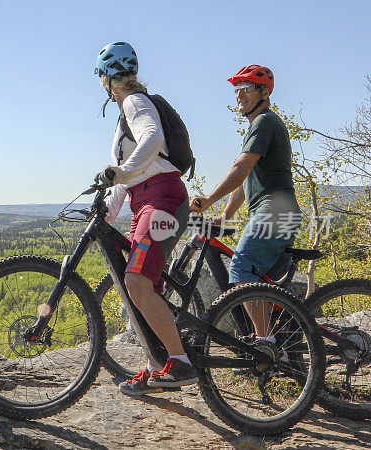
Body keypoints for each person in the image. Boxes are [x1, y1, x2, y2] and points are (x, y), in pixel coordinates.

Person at [94, 42, 196, 395]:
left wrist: (120, 173)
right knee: (142, 284)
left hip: (163, 199)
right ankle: (158, 366)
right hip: (147, 201)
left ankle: (181, 363)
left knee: (136, 282)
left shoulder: (136, 102)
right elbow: (129, 178)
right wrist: (106, 212)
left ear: (107, 79)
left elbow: (152, 139)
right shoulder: (125, 115)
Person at [189, 65, 301, 343]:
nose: (239, 95)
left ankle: (265, 344)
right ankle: (285, 343)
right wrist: (225, 214)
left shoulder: (264, 122)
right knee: (263, 286)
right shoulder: (259, 125)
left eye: (246, 88)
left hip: (274, 214)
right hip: (275, 213)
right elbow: (245, 177)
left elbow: (240, 167)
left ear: (264, 92)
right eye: (236, 89)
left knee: (241, 268)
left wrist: (208, 200)